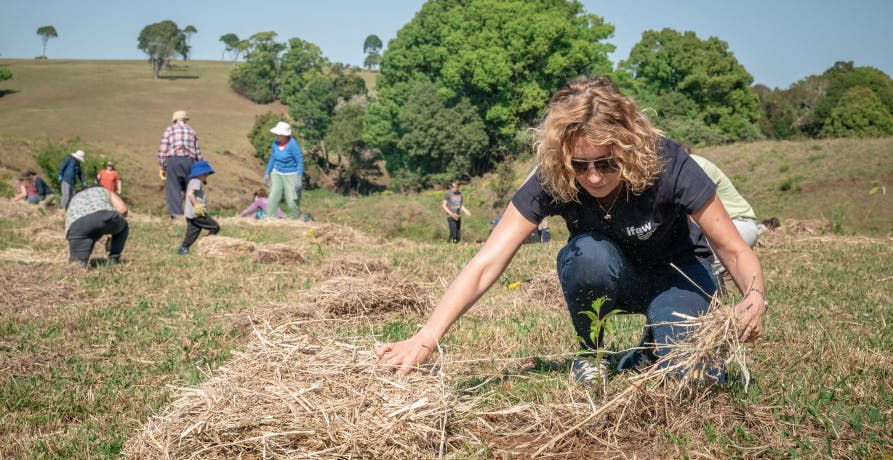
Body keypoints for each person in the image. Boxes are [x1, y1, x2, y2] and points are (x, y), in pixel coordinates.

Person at [378, 76, 767, 384]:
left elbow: (733, 249)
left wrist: (754, 295)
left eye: (606, 162)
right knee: (585, 256)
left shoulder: (669, 163)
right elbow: (487, 261)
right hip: (614, 274)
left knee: (696, 377)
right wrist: (426, 338)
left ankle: (654, 344)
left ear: (629, 146)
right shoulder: (555, 174)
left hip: (679, 277)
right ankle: (591, 353)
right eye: (580, 165)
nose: (593, 177)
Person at [686, 153, 761, 279]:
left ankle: (715, 296)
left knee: (696, 256)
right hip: (721, 226)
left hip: (737, 223)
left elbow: (690, 214)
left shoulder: (689, 166)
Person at [65, 185, 129, 267]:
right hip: (103, 215)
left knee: (76, 265)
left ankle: (79, 265)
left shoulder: (73, 198)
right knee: (124, 225)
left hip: (76, 227)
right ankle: (114, 258)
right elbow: (123, 209)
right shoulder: (103, 190)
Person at [157, 110, 203, 219]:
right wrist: (200, 168)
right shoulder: (192, 131)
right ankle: (193, 214)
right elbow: (198, 152)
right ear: (185, 119)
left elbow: (163, 150)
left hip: (174, 160)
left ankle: (176, 216)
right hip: (190, 161)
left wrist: (162, 166)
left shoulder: (170, 130)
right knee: (190, 188)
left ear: (175, 120)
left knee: (173, 189)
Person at [177, 160, 220, 255]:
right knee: (215, 227)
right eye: (206, 174)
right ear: (201, 173)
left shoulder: (193, 181)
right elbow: (190, 194)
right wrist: (197, 206)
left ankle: (183, 249)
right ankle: (207, 245)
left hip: (190, 214)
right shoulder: (196, 181)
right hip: (197, 213)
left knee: (192, 233)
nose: (207, 176)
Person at [263, 121, 303, 219]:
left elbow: (300, 160)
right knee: (273, 196)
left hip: (291, 174)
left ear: (285, 135)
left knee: (292, 199)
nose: (275, 135)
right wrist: (267, 173)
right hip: (277, 173)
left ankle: (294, 220)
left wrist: (299, 176)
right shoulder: (275, 143)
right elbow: (273, 157)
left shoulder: (292, 144)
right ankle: (269, 218)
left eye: (278, 134)